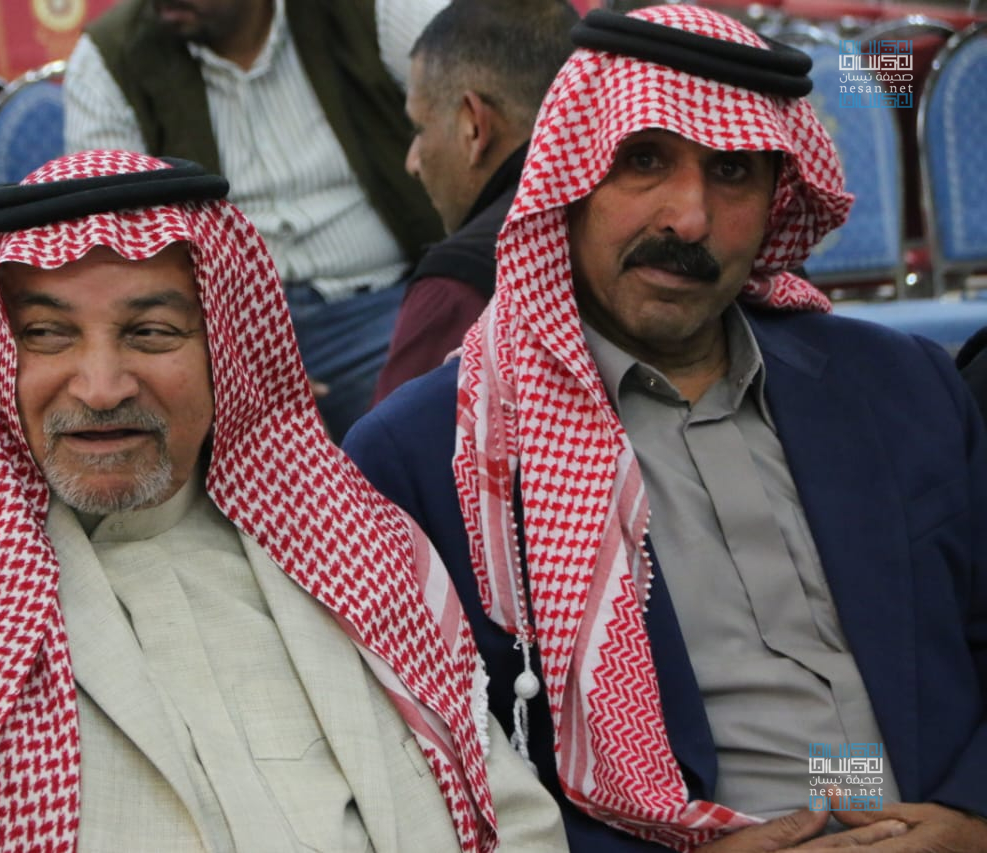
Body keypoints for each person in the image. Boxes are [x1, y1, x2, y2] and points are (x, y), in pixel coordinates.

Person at [0, 150, 566, 851]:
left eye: (151, 332)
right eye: (47, 334)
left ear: (225, 347)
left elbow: (507, 814)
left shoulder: (356, 548)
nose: (101, 385)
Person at [345, 6, 987, 852]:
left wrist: (975, 822)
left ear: (776, 198)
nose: (688, 218)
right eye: (643, 160)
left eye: (732, 171)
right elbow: (429, 772)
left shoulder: (904, 385)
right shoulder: (427, 456)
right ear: (571, 178)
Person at [63, 0, 446, 440]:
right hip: (215, 330)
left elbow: (476, 110)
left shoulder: (370, 9)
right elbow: (111, 249)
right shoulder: (112, 53)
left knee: (426, 415)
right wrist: (227, 360)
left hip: (385, 308)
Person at [373, 0, 576, 404]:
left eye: (419, 128)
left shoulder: (456, 289)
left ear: (473, 127)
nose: (412, 162)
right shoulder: (621, 220)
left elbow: (384, 444)